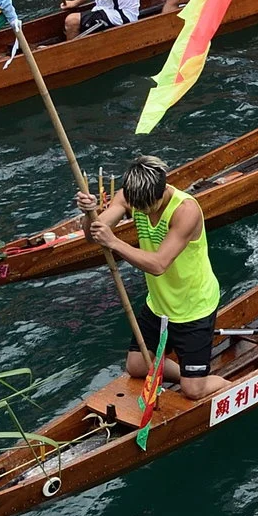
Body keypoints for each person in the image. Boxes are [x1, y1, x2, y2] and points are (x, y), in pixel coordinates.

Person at [83, 156, 223, 401]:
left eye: (151, 205)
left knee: (193, 392)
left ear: (162, 191)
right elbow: (94, 234)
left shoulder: (185, 210)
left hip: (193, 307)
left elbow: (159, 264)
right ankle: (189, 374)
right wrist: (89, 214)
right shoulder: (130, 196)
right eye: (140, 206)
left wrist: (114, 242)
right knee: (137, 366)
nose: (145, 211)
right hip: (158, 303)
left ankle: (224, 383)